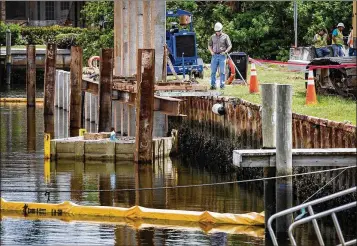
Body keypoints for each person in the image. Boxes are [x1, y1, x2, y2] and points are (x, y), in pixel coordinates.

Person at [208, 22, 232, 90]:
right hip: (214, 56)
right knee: (213, 71)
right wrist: (211, 52)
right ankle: (213, 85)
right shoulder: (212, 37)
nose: (217, 32)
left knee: (222, 71)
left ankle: (222, 85)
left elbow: (230, 45)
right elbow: (209, 45)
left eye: (219, 31)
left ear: (221, 30)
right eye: (216, 31)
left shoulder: (225, 36)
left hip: (222, 56)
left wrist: (225, 52)